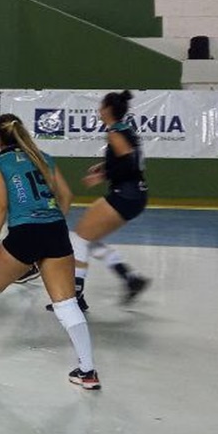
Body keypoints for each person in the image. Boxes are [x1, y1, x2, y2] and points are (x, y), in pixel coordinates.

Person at [0, 115, 100, 390]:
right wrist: (52, 221)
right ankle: (87, 371)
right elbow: (67, 196)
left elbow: (1, 206)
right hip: (56, 231)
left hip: (25, 233)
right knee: (67, 304)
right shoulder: (44, 157)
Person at [69, 90, 150, 308]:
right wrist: (104, 165)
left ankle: (75, 297)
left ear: (107, 109)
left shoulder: (115, 131)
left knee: (79, 239)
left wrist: (102, 175)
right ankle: (130, 279)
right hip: (135, 195)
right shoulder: (125, 130)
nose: (98, 110)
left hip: (125, 194)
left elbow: (129, 165)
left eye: (101, 106)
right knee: (89, 239)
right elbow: (128, 159)